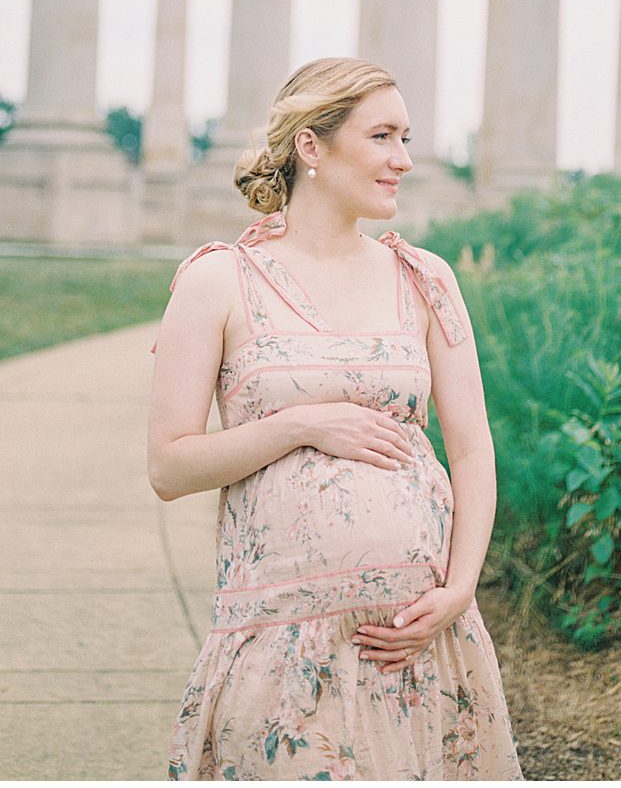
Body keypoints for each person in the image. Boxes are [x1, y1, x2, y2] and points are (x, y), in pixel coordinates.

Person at [148, 57, 524, 780]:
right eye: (382, 136)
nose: (403, 160)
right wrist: (301, 424)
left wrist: (459, 589)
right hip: (285, 649)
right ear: (311, 147)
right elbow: (168, 466)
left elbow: (472, 452)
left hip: (419, 642)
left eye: (406, 138)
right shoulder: (218, 280)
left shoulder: (426, 278)